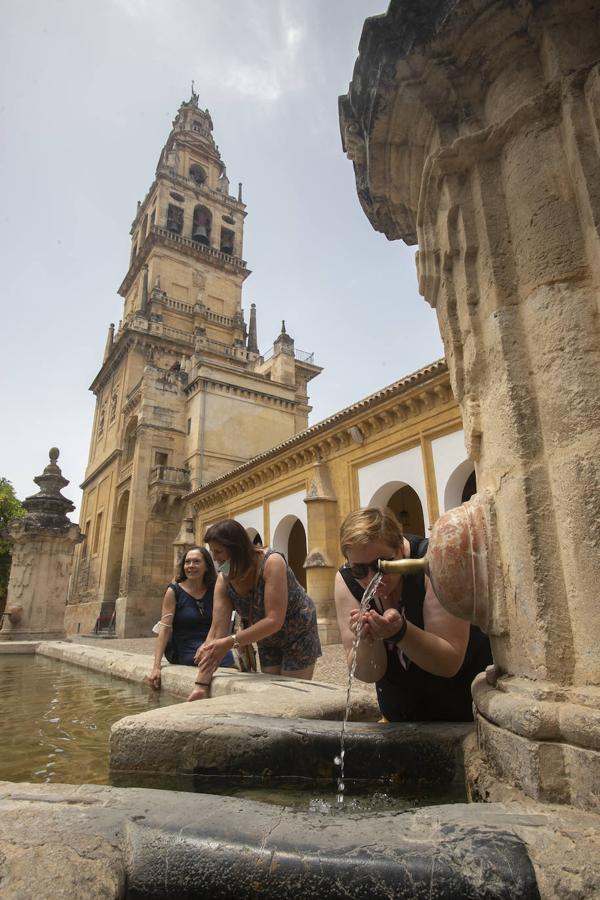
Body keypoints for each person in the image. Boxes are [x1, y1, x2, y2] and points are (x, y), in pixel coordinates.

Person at [334, 507, 492, 722]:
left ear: (400, 548)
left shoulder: (434, 562)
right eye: (359, 570)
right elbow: (368, 673)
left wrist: (400, 633)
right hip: (400, 720)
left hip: (463, 711)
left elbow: (449, 662)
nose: (371, 579)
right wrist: (367, 639)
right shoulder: (347, 580)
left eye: (382, 566)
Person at [191, 519, 322, 700]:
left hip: (298, 633)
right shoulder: (224, 579)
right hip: (265, 636)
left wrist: (230, 641)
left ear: (236, 548)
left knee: (290, 695)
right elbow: (216, 631)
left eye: (218, 551)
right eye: (212, 551)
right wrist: (201, 685)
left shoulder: (272, 562)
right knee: (271, 694)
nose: (214, 557)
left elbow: (274, 620)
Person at [149, 545, 235, 698]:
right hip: (185, 647)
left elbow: (221, 622)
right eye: (187, 562)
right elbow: (165, 629)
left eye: (196, 562)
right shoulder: (173, 591)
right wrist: (156, 667)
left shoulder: (215, 589)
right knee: (209, 660)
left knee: (228, 660)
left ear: (207, 566)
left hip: (210, 643)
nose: (190, 566)